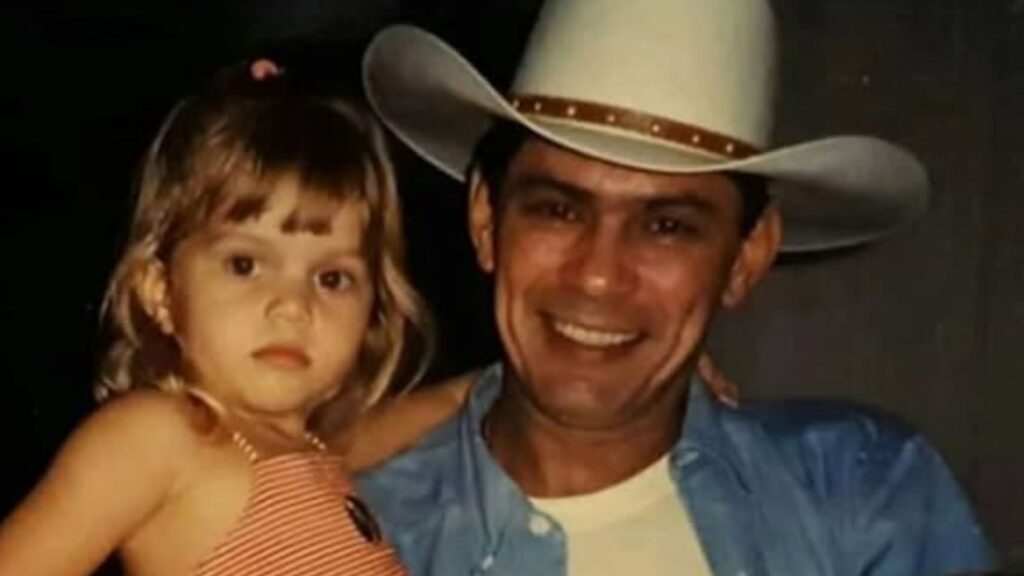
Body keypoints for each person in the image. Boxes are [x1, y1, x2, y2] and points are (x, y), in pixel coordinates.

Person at [355, 0, 1000, 574]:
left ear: (747, 256)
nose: (598, 274)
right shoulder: (353, 537)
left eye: (666, 227)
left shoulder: (862, 490)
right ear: (485, 220)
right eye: (558, 210)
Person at [0, 58, 427, 575]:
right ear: (161, 293)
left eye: (332, 278)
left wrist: (474, 390)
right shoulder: (162, 436)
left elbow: (401, 424)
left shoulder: (316, 454)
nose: (293, 307)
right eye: (244, 265)